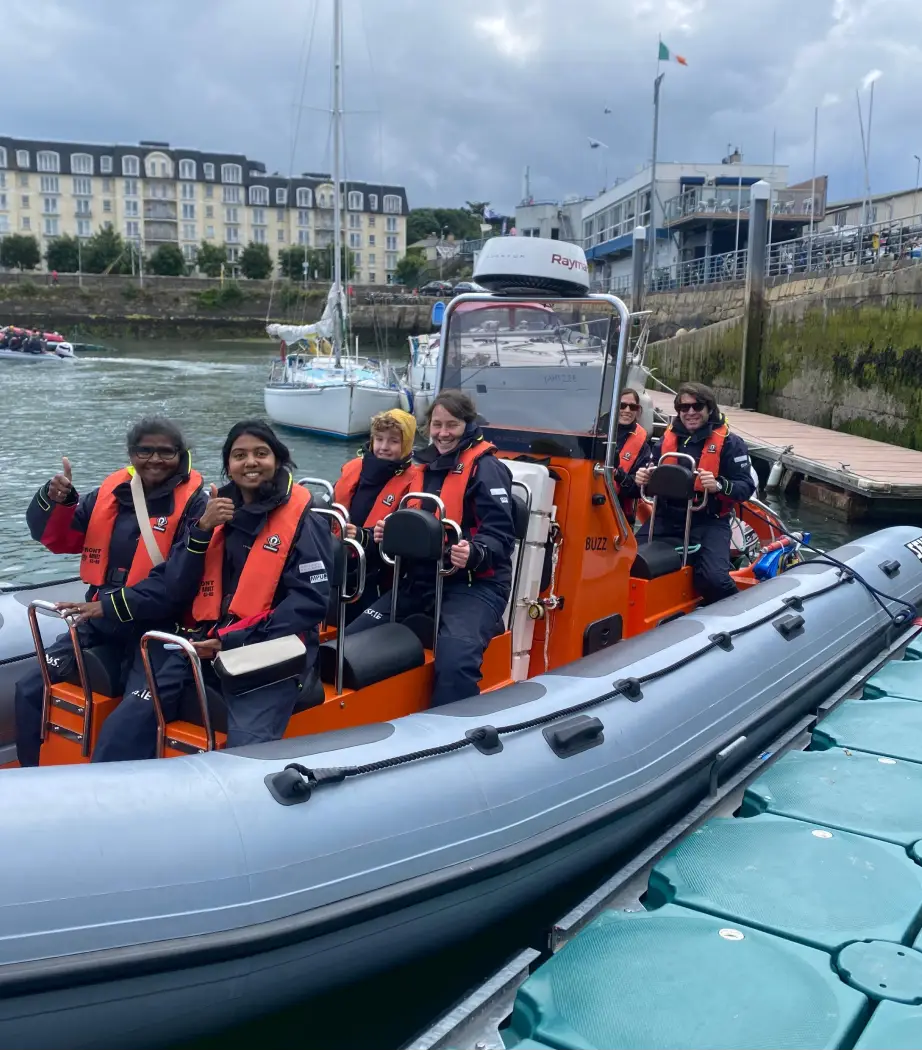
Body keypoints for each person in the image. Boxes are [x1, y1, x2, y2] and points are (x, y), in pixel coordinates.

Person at [91, 420, 335, 760]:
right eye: (239, 455)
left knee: (246, 748)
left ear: (277, 460)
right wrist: (202, 530)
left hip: (270, 652)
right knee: (127, 724)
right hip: (200, 641)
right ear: (229, 467)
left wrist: (232, 641)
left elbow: (309, 603)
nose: (250, 462)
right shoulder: (212, 512)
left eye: (260, 453)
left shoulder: (307, 522)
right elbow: (177, 579)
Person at [14, 417, 207, 767]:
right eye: (144, 450)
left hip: (161, 631)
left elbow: (179, 583)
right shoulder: (111, 492)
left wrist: (109, 607)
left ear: (181, 455)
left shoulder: (198, 505)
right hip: (101, 621)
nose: (154, 459)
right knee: (29, 689)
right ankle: (30, 782)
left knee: (125, 729)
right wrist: (59, 499)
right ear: (131, 454)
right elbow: (61, 538)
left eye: (166, 451)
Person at [346, 390, 516, 707]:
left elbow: (501, 534)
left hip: (473, 586)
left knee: (455, 659)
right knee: (352, 639)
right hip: (420, 581)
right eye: (436, 425)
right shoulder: (421, 467)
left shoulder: (487, 469)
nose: (443, 433)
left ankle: (453, 735)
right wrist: (388, 531)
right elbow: (406, 516)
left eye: (451, 424)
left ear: (467, 425)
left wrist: (474, 552)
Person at [634, 382, 755, 604]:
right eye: (683, 407)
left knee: (714, 580)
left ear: (709, 408)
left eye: (697, 406)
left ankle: (737, 613)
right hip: (665, 518)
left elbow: (746, 486)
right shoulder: (666, 441)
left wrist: (719, 485)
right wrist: (644, 478)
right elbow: (651, 477)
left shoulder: (731, 444)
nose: (690, 412)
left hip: (708, 521)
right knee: (626, 560)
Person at [332, 408, 417, 622]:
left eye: (393, 441)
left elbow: (407, 535)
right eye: (379, 439)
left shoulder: (414, 481)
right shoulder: (353, 469)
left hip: (380, 571)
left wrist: (363, 537)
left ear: (406, 444)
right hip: (341, 561)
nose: (384, 447)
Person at [612, 387, 653, 522]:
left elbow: (639, 489)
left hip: (619, 511)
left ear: (638, 410)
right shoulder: (595, 432)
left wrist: (618, 475)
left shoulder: (643, 447)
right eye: (622, 405)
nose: (627, 410)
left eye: (632, 407)